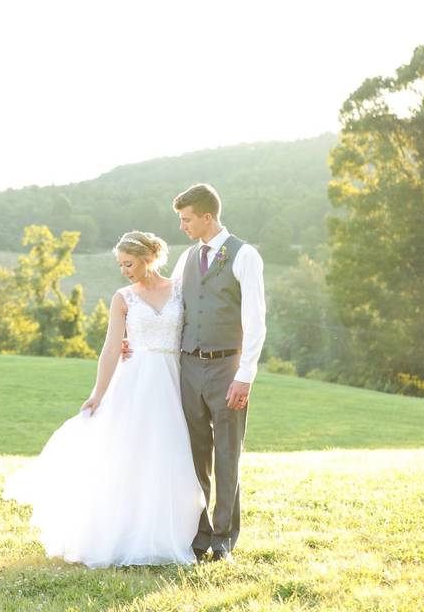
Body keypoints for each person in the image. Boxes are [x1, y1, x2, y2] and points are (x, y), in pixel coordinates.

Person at [3, 230, 205, 568]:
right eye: (120, 265)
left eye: (128, 263)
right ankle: (128, 534)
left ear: (146, 258)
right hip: (136, 383)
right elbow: (112, 347)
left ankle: (172, 532)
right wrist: (97, 393)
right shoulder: (123, 297)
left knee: (171, 455)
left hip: (174, 381)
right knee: (132, 456)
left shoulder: (180, 290)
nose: (124, 270)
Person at [163, 183, 267, 563]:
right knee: (193, 453)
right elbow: (172, 307)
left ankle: (223, 536)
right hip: (189, 365)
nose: (183, 226)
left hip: (227, 366)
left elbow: (255, 321)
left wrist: (246, 374)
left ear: (207, 216)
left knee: (227, 452)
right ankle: (199, 531)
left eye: (187, 219)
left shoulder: (245, 255)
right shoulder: (187, 258)